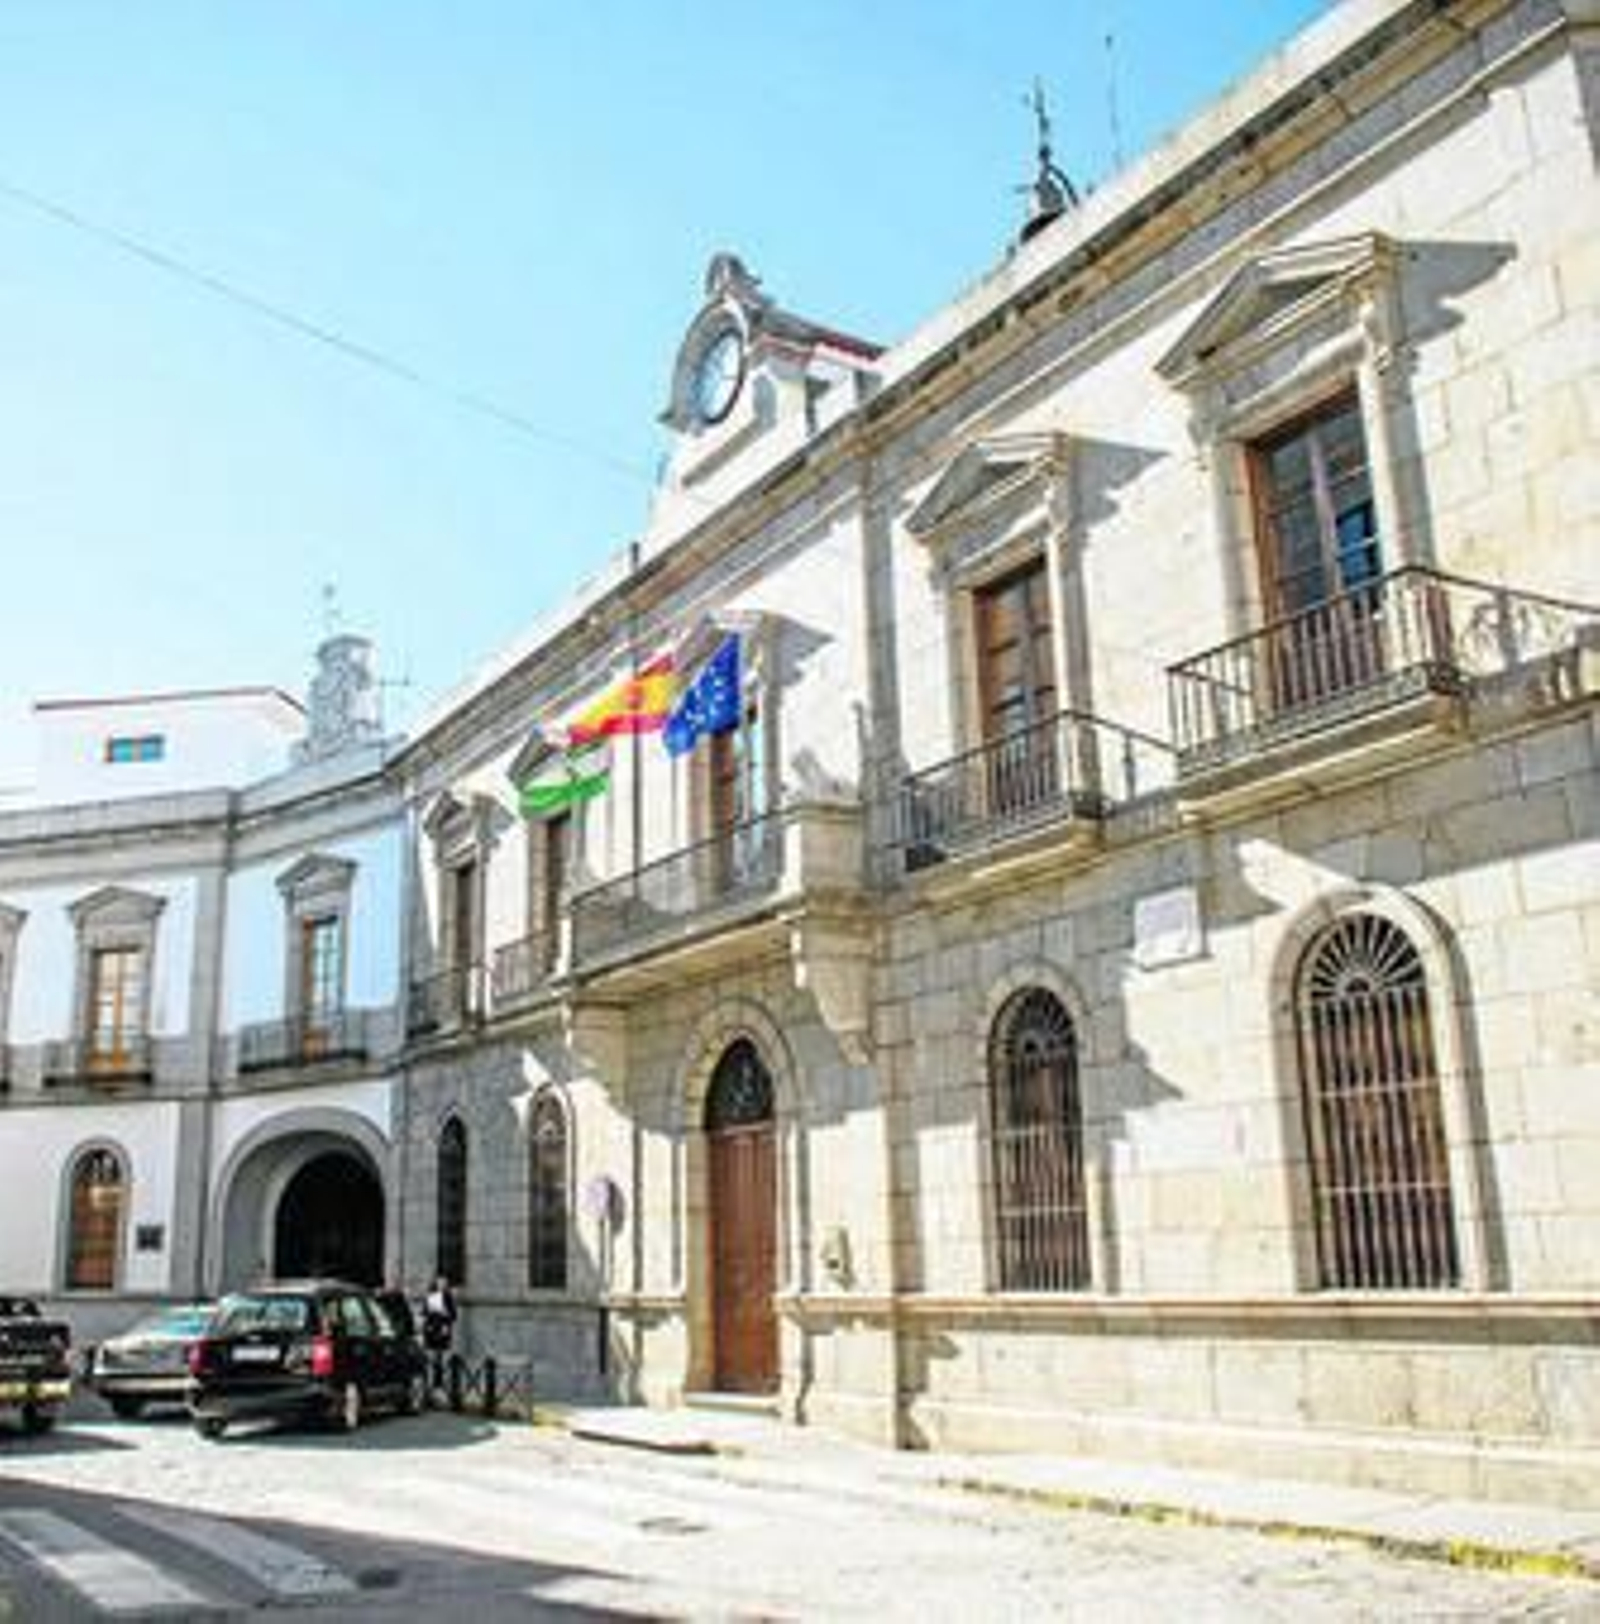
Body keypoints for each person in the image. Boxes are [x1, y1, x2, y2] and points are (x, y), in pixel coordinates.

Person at [421, 1275, 458, 1393]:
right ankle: (428, 1380)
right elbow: (424, 1311)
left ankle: (438, 1381)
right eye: (440, 1282)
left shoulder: (448, 1297)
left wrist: (446, 1314)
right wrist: (428, 1316)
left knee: (439, 1355)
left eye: (444, 1283)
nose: (442, 1285)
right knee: (430, 1354)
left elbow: (454, 1315)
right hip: (431, 1327)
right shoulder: (430, 1295)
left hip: (442, 1327)